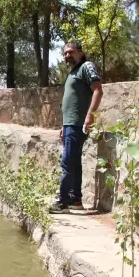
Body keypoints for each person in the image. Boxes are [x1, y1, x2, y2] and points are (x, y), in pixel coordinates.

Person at [50, 41, 103, 214]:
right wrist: (63, 125)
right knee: (74, 162)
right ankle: (75, 199)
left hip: (78, 124)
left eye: (71, 52)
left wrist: (90, 115)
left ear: (80, 52)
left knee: (67, 163)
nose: (67, 56)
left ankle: (62, 202)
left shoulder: (86, 67)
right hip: (70, 124)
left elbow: (97, 90)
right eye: (65, 53)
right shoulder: (73, 72)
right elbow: (71, 102)